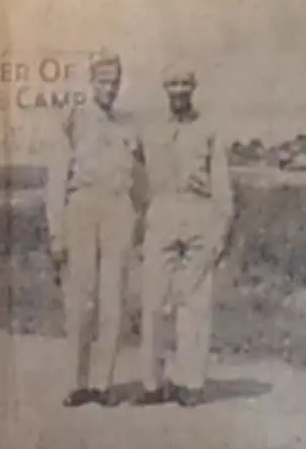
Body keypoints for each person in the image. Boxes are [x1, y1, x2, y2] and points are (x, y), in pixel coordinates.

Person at [46, 51, 142, 408]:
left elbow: (140, 175)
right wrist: (56, 230)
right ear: (92, 82)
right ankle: (77, 382)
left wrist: (139, 214)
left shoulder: (128, 124)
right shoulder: (74, 119)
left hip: (117, 208)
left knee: (112, 299)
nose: (110, 88)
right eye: (103, 81)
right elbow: (57, 175)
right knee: (79, 300)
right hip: (82, 208)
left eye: (115, 82)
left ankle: (103, 384)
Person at [134, 64, 235, 407]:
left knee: (195, 303)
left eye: (184, 84)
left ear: (193, 87)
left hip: (199, 216)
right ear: (165, 89)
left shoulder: (209, 128)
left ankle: (191, 383)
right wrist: (138, 221)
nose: (178, 90)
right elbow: (135, 178)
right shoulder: (150, 130)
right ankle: (152, 383)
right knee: (154, 302)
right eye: (172, 84)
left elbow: (221, 184)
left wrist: (221, 230)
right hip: (161, 214)